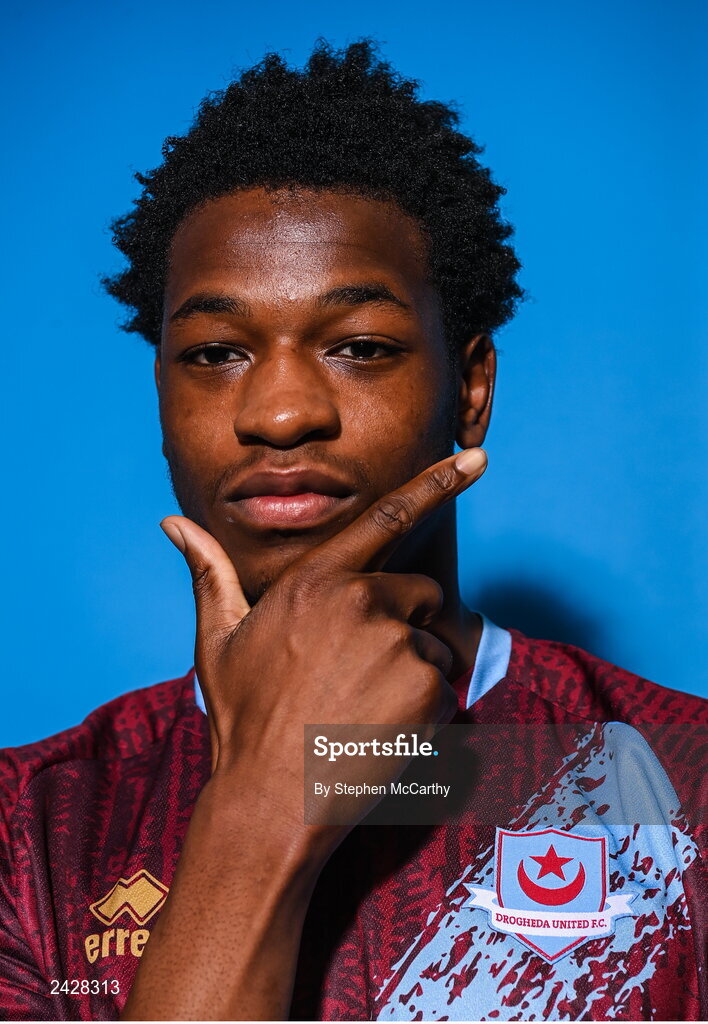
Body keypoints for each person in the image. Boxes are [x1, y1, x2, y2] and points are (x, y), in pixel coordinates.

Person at [0, 41, 705, 1023]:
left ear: (471, 390)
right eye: (214, 351)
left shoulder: (683, 780)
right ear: (158, 395)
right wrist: (258, 811)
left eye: (360, 346)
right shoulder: (27, 828)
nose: (280, 414)